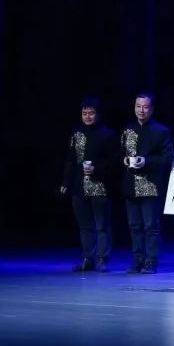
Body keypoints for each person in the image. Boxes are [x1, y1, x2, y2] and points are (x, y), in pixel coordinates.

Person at [60, 97, 117, 272]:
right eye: (84, 113)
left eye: (91, 113)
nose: (87, 116)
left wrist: (96, 169)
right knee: (84, 226)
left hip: (100, 186)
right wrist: (65, 182)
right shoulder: (77, 134)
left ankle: (102, 259)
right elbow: (71, 160)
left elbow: (113, 162)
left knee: (102, 225)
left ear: (98, 114)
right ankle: (87, 258)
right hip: (79, 187)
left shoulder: (108, 134)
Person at [120, 92, 174, 274]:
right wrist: (125, 160)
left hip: (150, 185)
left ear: (151, 109)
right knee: (134, 226)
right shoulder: (128, 130)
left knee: (151, 226)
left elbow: (168, 158)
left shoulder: (161, 131)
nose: (141, 110)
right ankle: (137, 260)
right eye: (138, 106)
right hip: (131, 185)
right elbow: (120, 153)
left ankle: (151, 261)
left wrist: (146, 161)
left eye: (145, 106)